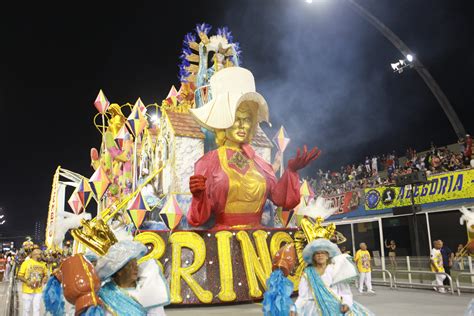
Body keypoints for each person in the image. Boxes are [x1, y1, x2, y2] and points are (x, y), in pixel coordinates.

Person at [187, 67, 320, 229]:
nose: (243, 125)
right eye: (237, 118)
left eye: (248, 119)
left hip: (258, 237)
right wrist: (198, 195)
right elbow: (197, 219)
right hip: (223, 239)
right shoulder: (208, 162)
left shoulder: (259, 163)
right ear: (224, 122)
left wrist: (291, 171)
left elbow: (281, 199)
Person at [294, 238, 373, 315]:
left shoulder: (336, 270)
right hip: (313, 310)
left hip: (336, 308)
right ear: (313, 257)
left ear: (328, 255)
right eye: (317, 253)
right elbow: (302, 296)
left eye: (323, 253)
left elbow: (346, 293)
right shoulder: (308, 273)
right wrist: (295, 308)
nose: (320, 255)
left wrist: (346, 303)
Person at [95, 240, 170, 315]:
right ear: (119, 271)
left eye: (136, 264)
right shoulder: (104, 294)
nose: (135, 268)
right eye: (130, 266)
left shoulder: (148, 292)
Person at [17, 248, 48, 316]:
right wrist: (27, 282)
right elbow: (19, 276)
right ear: (35, 255)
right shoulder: (26, 263)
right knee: (26, 309)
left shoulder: (43, 264)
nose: (42, 256)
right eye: (40, 254)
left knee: (37, 309)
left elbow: (45, 275)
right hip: (27, 291)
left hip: (38, 290)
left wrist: (45, 278)